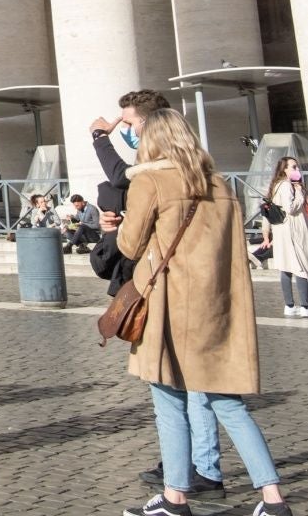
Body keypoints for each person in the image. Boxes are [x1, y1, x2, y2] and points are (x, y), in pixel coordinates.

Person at [118, 109, 291, 516]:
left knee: (168, 402)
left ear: (152, 141)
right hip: (214, 308)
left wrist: (119, 222)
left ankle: (175, 499)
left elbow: (129, 245)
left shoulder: (150, 181)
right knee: (227, 403)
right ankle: (273, 499)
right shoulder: (219, 184)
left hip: (168, 308)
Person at [95, 89, 228, 501]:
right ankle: (188, 465)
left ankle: (195, 472)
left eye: (130, 125)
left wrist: (100, 141)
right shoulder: (189, 166)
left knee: (186, 387)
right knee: (187, 385)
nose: (126, 133)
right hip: (181, 282)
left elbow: (122, 182)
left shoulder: (164, 168)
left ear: (150, 124)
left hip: (174, 284)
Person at [263, 156, 306, 317]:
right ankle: (305, 306)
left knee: (286, 268)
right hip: (292, 231)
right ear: (284, 169)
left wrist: (266, 234)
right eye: (293, 167)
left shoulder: (276, 185)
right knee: (300, 267)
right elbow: (290, 208)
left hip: (282, 231)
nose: (297, 170)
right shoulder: (287, 185)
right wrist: (300, 194)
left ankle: (289, 305)